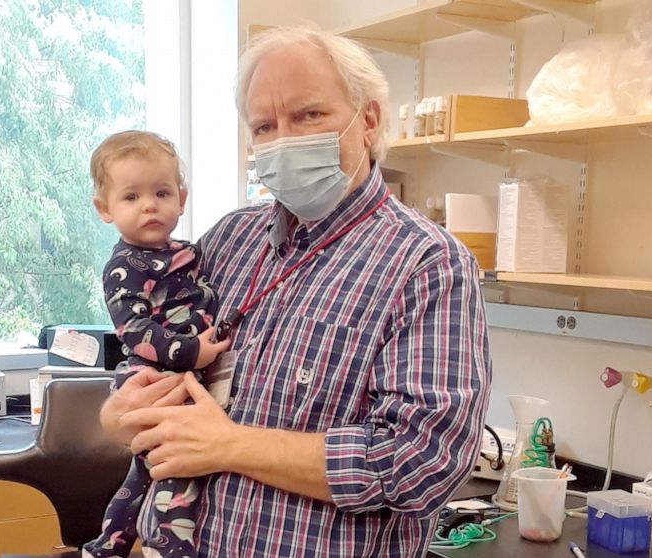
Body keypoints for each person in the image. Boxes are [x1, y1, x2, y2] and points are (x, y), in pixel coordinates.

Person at [97, 26, 492, 558]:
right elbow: (157, 353)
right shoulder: (229, 239)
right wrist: (116, 415)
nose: (283, 140)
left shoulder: (428, 265)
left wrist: (234, 446)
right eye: (264, 126)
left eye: (308, 115)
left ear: (368, 120)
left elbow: (424, 462)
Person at [83, 130, 230, 558]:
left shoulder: (188, 252)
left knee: (143, 474)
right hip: (154, 372)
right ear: (104, 209)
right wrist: (192, 353)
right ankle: (168, 544)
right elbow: (134, 330)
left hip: (183, 374)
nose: (150, 205)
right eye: (131, 197)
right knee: (176, 467)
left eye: (162, 192)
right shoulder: (123, 267)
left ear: (181, 199)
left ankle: (108, 545)